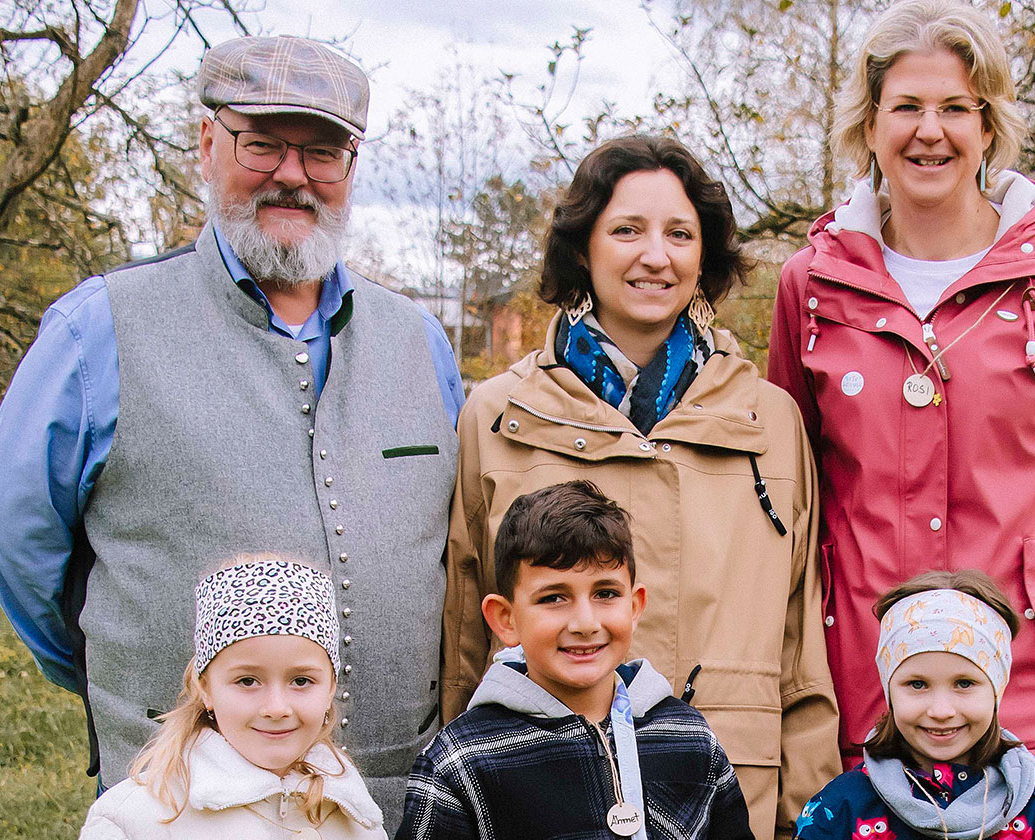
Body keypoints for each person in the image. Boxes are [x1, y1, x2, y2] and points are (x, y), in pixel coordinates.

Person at [0, 36, 462, 828]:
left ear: (351, 166)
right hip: (181, 806)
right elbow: (15, 545)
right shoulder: (98, 329)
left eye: (322, 152)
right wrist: (117, 678)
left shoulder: (421, 342)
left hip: (394, 803)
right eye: (262, 144)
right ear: (207, 144)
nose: (292, 175)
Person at [765, 2, 1035, 836]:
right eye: (906, 106)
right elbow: (791, 499)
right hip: (873, 694)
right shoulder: (812, 286)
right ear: (870, 124)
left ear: (989, 123)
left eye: (955, 108)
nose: (929, 131)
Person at [443, 135, 840, 838]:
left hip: (730, 796)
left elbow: (801, 649)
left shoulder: (770, 420)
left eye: (680, 234)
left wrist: (807, 820)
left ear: (704, 257)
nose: (656, 256)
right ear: (582, 248)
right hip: (543, 803)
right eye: (627, 230)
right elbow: (467, 646)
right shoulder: (497, 415)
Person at [403, 482, 754, 840]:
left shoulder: (689, 737)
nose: (585, 623)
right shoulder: (460, 761)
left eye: (606, 593)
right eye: (554, 598)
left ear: (634, 607)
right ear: (506, 619)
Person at [80, 556, 387, 839]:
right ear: (205, 688)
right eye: (247, 681)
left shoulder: (356, 814)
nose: (276, 708)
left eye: (301, 681)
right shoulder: (134, 820)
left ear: (331, 687)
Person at [793, 571, 1035, 840]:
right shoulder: (840, 809)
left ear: (997, 689)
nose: (941, 711)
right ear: (889, 690)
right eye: (917, 685)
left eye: (964, 684)